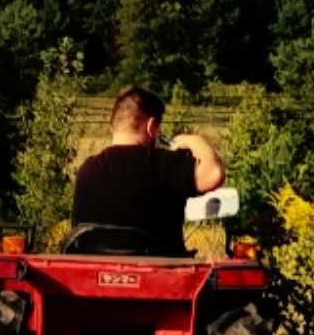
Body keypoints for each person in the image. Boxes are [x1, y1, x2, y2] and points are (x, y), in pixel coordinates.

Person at [67, 88, 227, 257]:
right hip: (160, 277)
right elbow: (214, 174)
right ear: (151, 126)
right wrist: (193, 140)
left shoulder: (87, 170)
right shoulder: (164, 164)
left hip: (95, 276)